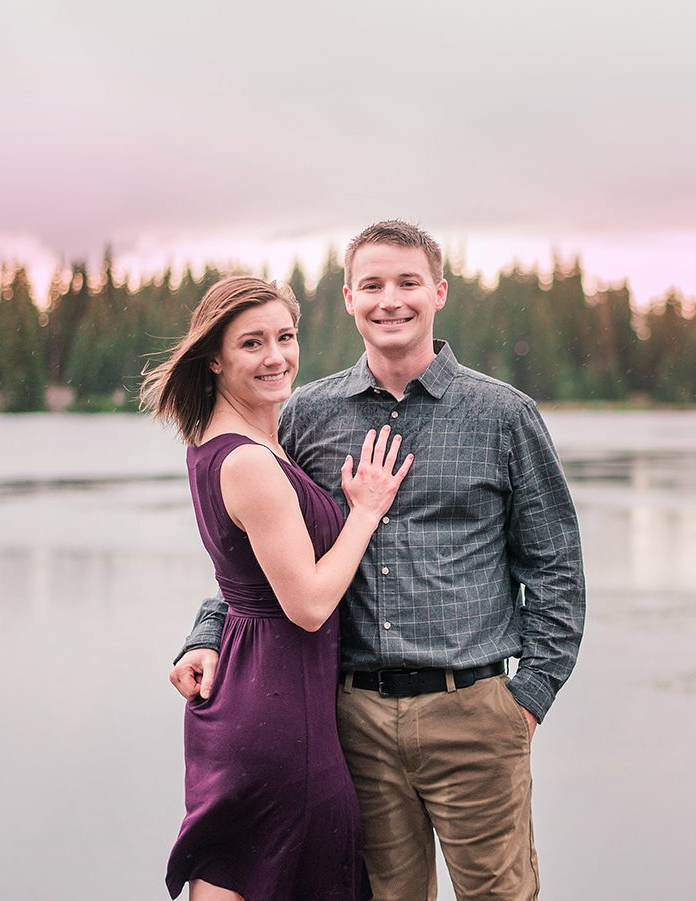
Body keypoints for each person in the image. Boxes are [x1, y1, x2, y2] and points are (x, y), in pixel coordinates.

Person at [170, 221, 586, 901]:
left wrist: (528, 699)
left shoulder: (502, 415)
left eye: (407, 282)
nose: (390, 299)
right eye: (372, 285)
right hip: (352, 718)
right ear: (349, 298)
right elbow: (261, 555)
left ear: (439, 292)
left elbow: (557, 567)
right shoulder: (306, 414)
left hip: (474, 710)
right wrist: (207, 633)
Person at [143, 275, 412, 901]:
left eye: (285, 337)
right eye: (252, 343)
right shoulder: (250, 463)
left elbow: (241, 583)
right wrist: (366, 512)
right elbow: (310, 604)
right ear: (214, 358)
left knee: (240, 868)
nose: (276, 357)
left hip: (250, 691)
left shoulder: (232, 445)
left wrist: (203, 637)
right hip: (283, 716)